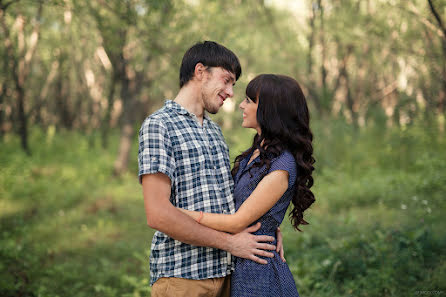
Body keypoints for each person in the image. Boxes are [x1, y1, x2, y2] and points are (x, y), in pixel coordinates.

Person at [138, 41, 281, 297]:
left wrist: (268, 226)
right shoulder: (159, 126)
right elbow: (157, 214)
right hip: (182, 276)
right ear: (200, 71)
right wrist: (231, 243)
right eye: (226, 80)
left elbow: (230, 197)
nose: (230, 92)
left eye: (233, 85)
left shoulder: (215, 132)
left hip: (226, 274)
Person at [178, 74, 316, 297]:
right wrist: (270, 225)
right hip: (239, 262)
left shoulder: (282, 165)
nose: (241, 104)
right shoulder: (256, 153)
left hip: (259, 275)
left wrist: (178, 214)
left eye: (250, 101)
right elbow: (250, 204)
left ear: (270, 110)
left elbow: (237, 222)